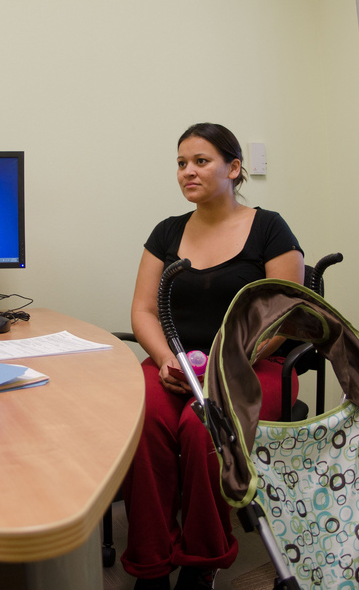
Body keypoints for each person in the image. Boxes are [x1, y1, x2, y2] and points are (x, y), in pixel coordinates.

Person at [123, 122, 304, 590]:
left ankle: (202, 560)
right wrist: (168, 359)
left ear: (234, 168)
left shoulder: (269, 228)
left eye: (201, 161)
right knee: (143, 420)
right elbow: (143, 309)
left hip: (251, 366)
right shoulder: (167, 232)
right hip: (175, 363)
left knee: (200, 425)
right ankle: (150, 562)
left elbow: (285, 318)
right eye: (181, 163)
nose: (188, 171)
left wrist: (225, 367)